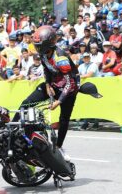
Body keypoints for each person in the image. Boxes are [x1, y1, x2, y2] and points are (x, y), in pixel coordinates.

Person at [12, 26, 81, 161]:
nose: (37, 49)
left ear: (48, 44)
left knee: (64, 119)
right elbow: (46, 69)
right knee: (27, 103)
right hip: (54, 84)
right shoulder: (43, 53)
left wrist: (58, 101)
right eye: (36, 45)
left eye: (39, 46)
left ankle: (59, 146)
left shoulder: (61, 58)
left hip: (69, 89)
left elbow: (70, 83)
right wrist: (48, 84)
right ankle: (13, 127)